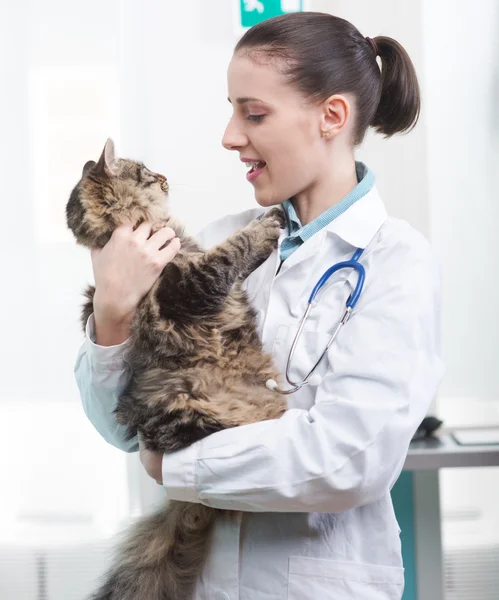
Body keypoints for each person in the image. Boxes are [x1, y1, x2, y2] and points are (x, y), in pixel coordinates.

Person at [74, 11, 443, 600]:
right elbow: (122, 427)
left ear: (331, 116)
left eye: (254, 113)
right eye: (231, 109)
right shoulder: (220, 237)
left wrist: (175, 466)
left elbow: (348, 457)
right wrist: (114, 314)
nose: (229, 135)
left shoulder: (395, 262)